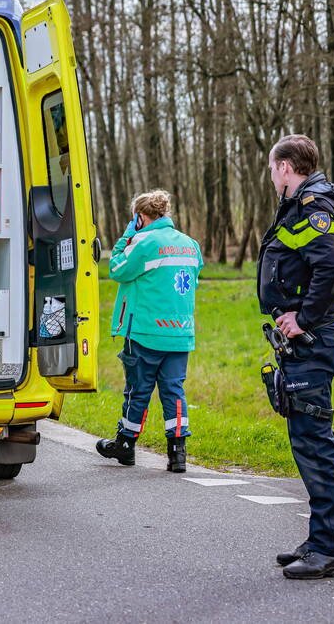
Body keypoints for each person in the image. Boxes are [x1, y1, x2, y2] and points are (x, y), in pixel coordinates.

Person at [257, 134, 334, 580]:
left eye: (271, 167)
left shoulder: (312, 208)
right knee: (308, 440)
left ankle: (328, 551)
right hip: (316, 336)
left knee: (314, 445)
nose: (271, 175)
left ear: (285, 167)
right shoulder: (325, 204)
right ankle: (321, 538)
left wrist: (306, 317)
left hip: (312, 340)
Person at [96, 190, 202, 473]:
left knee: (138, 390)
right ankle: (177, 453)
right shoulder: (190, 244)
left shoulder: (143, 241)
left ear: (139, 217)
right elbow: (195, 276)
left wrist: (126, 236)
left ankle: (125, 444)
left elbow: (117, 268)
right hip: (180, 333)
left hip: (145, 331)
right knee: (174, 390)